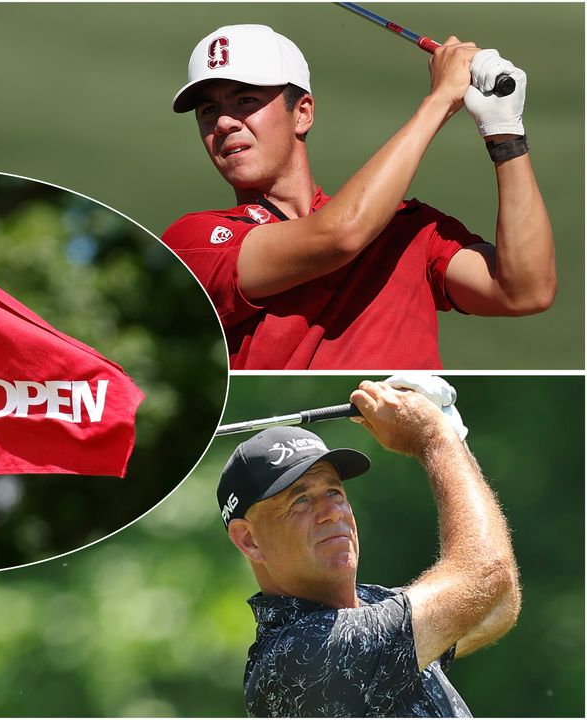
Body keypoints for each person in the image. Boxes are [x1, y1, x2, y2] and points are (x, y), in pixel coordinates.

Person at [163, 24, 554, 369]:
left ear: (302, 113)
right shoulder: (192, 241)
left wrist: (504, 132)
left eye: (245, 100)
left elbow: (524, 291)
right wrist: (440, 101)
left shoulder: (406, 227)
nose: (224, 122)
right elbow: (339, 236)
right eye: (208, 110)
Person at [216, 380, 519, 716]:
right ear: (249, 539)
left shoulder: (372, 606)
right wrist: (435, 439)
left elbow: (493, 605)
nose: (332, 512)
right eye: (301, 500)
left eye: (334, 491)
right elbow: (486, 575)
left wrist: (453, 439)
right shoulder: (296, 656)